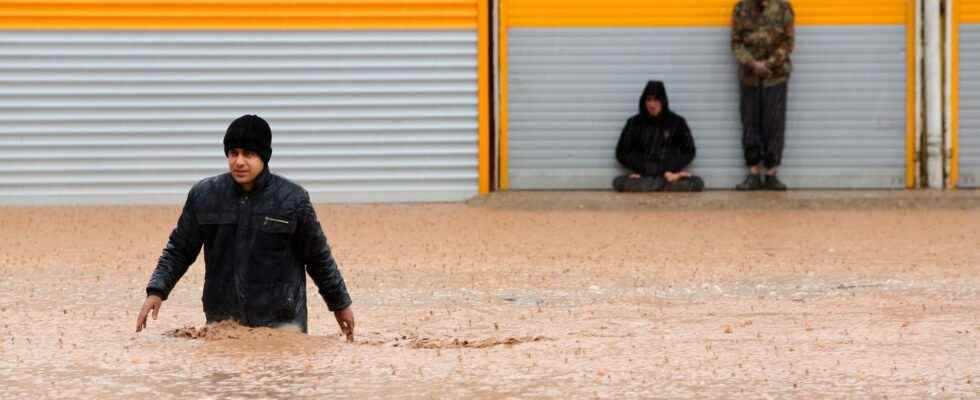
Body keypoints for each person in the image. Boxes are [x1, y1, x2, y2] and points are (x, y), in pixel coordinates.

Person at [135, 115, 355, 340]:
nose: (239, 161)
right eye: (233, 153)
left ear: (264, 156)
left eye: (248, 154)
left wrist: (340, 305)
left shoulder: (292, 199)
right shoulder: (204, 195)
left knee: (281, 376)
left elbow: (318, 258)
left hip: (282, 326)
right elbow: (179, 249)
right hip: (223, 325)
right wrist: (157, 291)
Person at [731, 0, 795, 191]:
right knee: (750, 123)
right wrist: (752, 64)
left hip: (775, 77)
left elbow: (787, 42)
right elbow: (736, 43)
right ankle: (753, 173)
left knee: (774, 124)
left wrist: (768, 64)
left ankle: (771, 174)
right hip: (749, 78)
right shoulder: (741, 8)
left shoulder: (784, 8)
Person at [613, 80, 704, 192]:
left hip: (668, 175)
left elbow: (689, 151)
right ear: (644, 101)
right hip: (644, 175)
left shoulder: (677, 122)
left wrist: (670, 170)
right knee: (618, 182)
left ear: (663, 101)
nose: (652, 105)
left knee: (697, 182)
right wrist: (643, 168)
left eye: (656, 100)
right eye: (649, 100)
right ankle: (658, 185)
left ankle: (652, 186)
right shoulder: (633, 123)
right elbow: (621, 152)